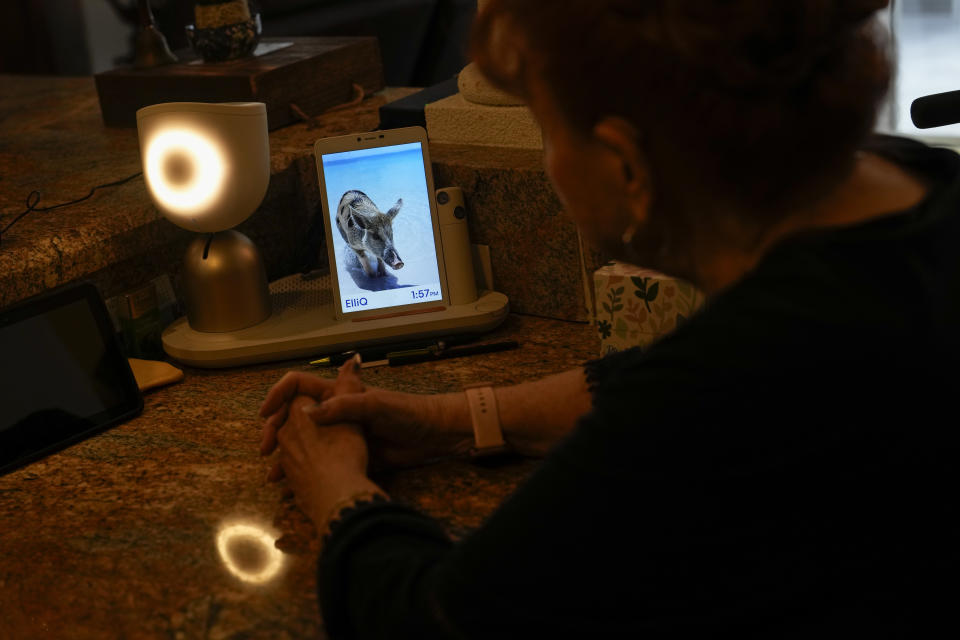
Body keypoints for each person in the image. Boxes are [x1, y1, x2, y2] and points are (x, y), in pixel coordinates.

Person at [259, 1, 959, 636]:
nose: (551, 161)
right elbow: (680, 383)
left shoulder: (739, 384)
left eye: (548, 128)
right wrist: (452, 418)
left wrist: (336, 488)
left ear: (627, 167)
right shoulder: (916, 189)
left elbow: (435, 619)